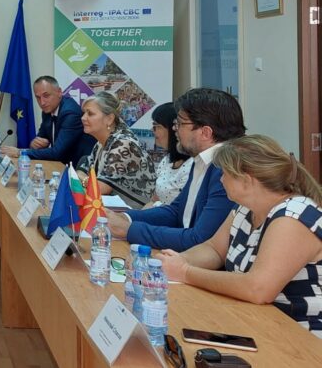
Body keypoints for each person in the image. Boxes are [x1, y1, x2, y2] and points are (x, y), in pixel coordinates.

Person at [159, 135, 322, 338]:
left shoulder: (294, 216)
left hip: (300, 335)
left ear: (246, 180)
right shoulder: (245, 208)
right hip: (256, 322)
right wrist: (176, 260)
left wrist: (185, 272)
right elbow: (214, 249)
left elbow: (257, 288)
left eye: (225, 174)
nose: (221, 180)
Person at [105, 88, 246, 251]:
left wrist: (130, 230)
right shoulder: (202, 159)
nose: (174, 129)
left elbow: (199, 239)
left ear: (205, 133)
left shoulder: (226, 170)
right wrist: (126, 218)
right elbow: (177, 211)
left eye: (180, 123)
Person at [75, 92, 156, 205]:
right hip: (113, 205)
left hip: (136, 209)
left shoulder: (123, 143)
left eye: (90, 114)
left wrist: (83, 180)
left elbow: (100, 188)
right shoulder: (103, 141)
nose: (83, 118)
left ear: (109, 119)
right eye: (84, 113)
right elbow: (82, 169)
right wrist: (86, 179)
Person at [0, 76, 95, 166]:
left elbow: (57, 153)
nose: (42, 102)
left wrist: (20, 152)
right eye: (38, 97)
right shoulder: (48, 110)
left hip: (78, 169)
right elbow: (41, 138)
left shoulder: (70, 113)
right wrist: (34, 144)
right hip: (59, 165)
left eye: (46, 95)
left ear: (59, 92)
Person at [149, 103, 192, 204]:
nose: (152, 131)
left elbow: (181, 209)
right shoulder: (167, 160)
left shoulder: (191, 166)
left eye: (156, 126)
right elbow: (154, 200)